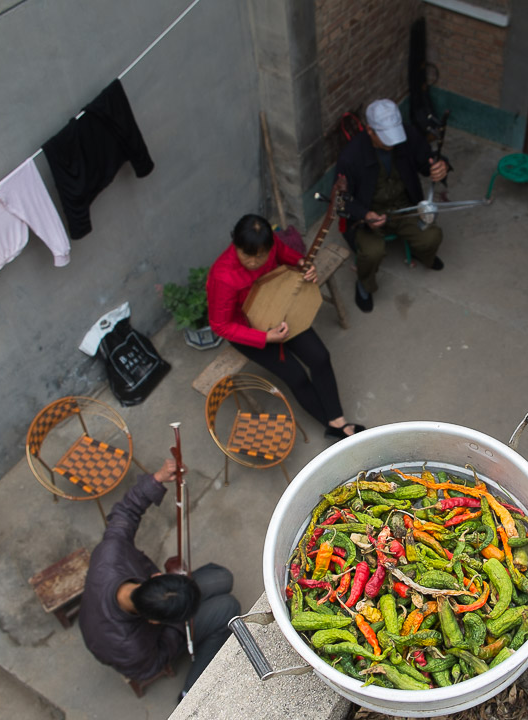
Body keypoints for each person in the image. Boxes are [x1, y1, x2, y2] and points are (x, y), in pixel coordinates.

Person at [79, 459, 240, 698]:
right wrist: (176, 629)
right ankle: (189, 692)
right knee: (229, 608)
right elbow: (156, 661)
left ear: (154, 577)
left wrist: (157, 479)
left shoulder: (111, 554)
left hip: (142, 612)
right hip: (144, 643)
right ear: (155, 622)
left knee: (222, 578)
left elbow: (125, 512)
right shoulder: (130, 647)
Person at [206, 213, 366, 439]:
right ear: (236, 245)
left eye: (259, 256)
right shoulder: (222, 277)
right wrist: (265, 338)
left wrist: (301, 264)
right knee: (296, 376)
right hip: (249, 330)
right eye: (246, 255)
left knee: (320, 357)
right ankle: (334, 426)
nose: (252, 262)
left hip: (278, 307)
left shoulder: (271, 247)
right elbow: (221, 325)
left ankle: (337, 420)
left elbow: (283, 253)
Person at [336, 98, 449, 313]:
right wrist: (365, 214)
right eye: (386, 138)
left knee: (432, 236)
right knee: (371, 253)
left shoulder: (408, 136)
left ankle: (421, 252)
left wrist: (439, 167)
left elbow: (427, 161)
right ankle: (364, 284)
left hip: (403, 207)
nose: (393, 144)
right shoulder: (350, 157)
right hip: (367, 217)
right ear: (370, 130)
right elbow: (340, 200)